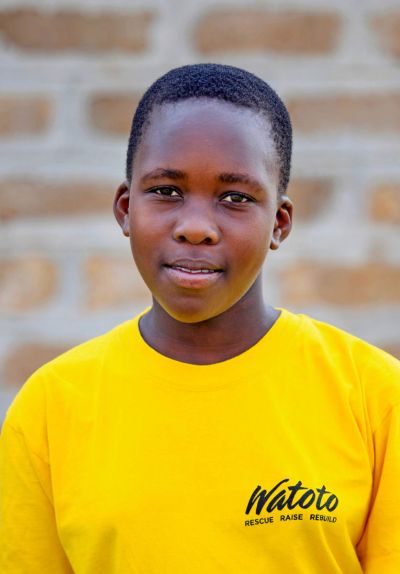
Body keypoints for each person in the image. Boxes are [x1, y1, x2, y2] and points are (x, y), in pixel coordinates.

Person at [0, 63, 399, 574]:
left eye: (236, 198)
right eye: (166, 191)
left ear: (279, 223)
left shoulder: (373, 396)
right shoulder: (52, 407)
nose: (195, 227)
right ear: (125, 208)